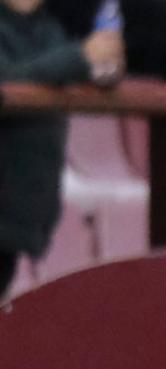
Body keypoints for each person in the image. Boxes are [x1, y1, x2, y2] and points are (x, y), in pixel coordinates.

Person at [0, 0, 121, 299]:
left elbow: (81, 67)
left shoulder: (47, 28)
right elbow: (9, 80)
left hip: (20, 214)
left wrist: (105, 64)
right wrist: (80, 57)